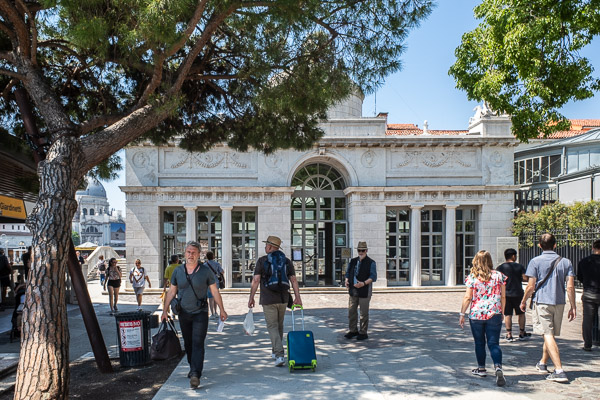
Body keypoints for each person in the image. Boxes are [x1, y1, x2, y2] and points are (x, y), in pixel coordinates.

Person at [162, 241, 228, 389]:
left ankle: (195, 374)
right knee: (188, 343)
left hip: (200, 312)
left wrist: (222, 310)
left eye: (193, 252)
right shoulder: (178, 271)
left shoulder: (205, 271)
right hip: (183, 313)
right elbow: (172, 292)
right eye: (188, 252)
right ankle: (193, 367)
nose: (190, 255)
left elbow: (215, 291)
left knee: (198, 343)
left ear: (199, 254)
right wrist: (165, 310)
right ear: (184, 254)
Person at [520, 233, 576, 383]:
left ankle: (559, 371)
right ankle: (543, 363)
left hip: (542, 301)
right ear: (555, 245)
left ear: (539, 246)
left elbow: (531, 286)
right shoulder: (566, 262)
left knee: (547, 334)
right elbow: (570, 287)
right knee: (550, 333)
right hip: (559, 302)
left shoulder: (535, 261)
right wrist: (573, 306)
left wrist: (524, 300)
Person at [248, 235, 302, 367]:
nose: (265, 247)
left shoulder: (262, 261)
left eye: (266, 245)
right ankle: (275, 350)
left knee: (272, 326)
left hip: (268, 298)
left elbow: (255, 280)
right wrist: (297, 297)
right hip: (284, 298)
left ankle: (279, 354)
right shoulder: (287, 261)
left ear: (271, 247)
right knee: (279, 324)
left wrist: (251, 297)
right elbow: (293, 280)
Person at [459, 250, 507, 387]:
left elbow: (468, 297)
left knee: (479, 343)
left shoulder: (472, 277)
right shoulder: (499, 276)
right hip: (494, 313)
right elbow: (503, 296)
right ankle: (498, 367)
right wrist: (502, 311)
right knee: (494, 343)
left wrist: (462, 313)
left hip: (476, 314)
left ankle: (481, 368)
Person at [344, 241, 377, 341]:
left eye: (362, 250)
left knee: (363, 313)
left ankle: (363, 332)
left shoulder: (371, 262)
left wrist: (363, 283)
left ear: (366, 251)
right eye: (359, 250)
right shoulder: (353, 261)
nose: (361, 252)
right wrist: (346, 280)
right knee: (351, 311)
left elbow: (373, 276)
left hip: (364, 291)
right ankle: (353, 330)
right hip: (353, 290)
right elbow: (348, 272)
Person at [496, 248, 529, 341]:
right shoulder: (519, 266)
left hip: (505, 294)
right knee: (521, 313)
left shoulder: (500, 268)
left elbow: (498, 280)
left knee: (507, 314)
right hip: (518, 293)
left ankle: (509, 334)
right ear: (513, 256)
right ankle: (522, 333)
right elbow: (525, 278)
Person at [576, 239, 600, 351]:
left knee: (587, 320)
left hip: (589, 293)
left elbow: (579, 276)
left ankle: (587, 344)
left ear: (593, 248)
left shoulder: (585, 261)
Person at [205, 251, 224, 319]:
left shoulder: (205, 265)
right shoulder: (217, 264)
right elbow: (222, 271)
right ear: (213, 256)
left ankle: (212, 313)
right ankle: (216, 312)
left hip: (208, 283)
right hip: (216, 282)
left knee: (210, 298)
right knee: (216, 297)